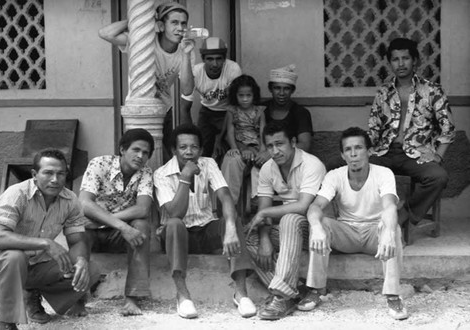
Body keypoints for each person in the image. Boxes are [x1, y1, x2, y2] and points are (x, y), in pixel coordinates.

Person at [0, 149, 100, 330]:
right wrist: (46, 243)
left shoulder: (70, 200)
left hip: (34, 266)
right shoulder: (17, 193)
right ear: (35, 174)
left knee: (91, 268)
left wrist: (81, 261)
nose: (55, 179)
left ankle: (30, 293)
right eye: (48, 173)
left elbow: (77, 241)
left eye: (61, 173)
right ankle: (6, 323)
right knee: (14, 257)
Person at [300, 127, 408, 320]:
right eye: (348, 149)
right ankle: (315, 290)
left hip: (375, 234)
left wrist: (390, 232)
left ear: (369, 151)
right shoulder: (334, 175)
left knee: (392, 227)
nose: (354, 153)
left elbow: (390, 206)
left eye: (358, 148)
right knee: (320, 222)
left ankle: (393, 295)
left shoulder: (383, 173)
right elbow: (315, 206)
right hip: (347, 233)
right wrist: (316, 228)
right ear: (343, 155)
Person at [153, 123, 257, 319]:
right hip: (178, 236)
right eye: (183, 147)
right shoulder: (161, 174)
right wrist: (185, 178)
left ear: (201, 149)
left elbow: (225, 196)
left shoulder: (208, 163)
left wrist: (231, 227)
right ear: (173, 150)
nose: (189, 152)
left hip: (206, 230)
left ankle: (241, 294)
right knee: (174, 223)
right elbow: (175, 212)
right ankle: (182, 295)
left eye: (194, 147)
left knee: (232, 217)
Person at [368, 38, 455, 226]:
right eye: (395, 59)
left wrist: (438, 156)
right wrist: (364, 151)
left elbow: (448, 128)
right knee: (343, 166)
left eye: (405, 58)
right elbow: (374, 127)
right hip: (385, 151)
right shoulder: (383, 92)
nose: (400, 64)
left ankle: (404, 215)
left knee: (438, 177)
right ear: (390, 63)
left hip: (416, 155)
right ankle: (364, 220)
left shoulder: (432, 90)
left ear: (414, 60)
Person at [246, 121, 326, 320]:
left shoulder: (312, 164)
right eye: (270, 146)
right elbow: (264, 209)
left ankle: (281, 297)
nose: (275, 151)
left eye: (280, 144)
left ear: (292, 142)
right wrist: (264, 238)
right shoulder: (267, 169)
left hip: (317, 230)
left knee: (290, 219)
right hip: (286, 230)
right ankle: (292, 292)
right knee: (246, 236)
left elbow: (303, 206)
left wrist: (264, 214)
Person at [98, 2, 195, 159]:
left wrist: (186, 55)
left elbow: (187, 90)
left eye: (183, 23)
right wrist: (141, 20)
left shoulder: (186, 50)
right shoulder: (143, 41)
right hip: (139, 110)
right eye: (174, 22)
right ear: (161, 26)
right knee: (137, 157)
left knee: (165, 159)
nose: (180, 28)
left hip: (164, 110)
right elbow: (105, 33)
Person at [78, 129, 154, 316]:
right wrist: (121, 225)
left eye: (145, 153)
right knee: (79, 229)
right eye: (136, 150)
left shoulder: (145, 172)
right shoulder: (99, 164)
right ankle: (78, 300)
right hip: (92, 230)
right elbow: (85, 203)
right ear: (122, 149)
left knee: (142, 226)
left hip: (110, 231)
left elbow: (142, 209)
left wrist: (107, 222)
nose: (140, 156)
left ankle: (132, 299)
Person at [180, 37, 242, 157]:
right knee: (202, 148)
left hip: (228, 111)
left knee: (230, 149)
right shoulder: (196, 72)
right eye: (210, 59)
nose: (214, 64)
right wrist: (187, 135)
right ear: (203, 59)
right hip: (207, 112)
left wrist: (219, 138)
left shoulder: (233, 69)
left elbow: (234, 104)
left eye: (219, 59)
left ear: (224, 59)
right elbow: (185, 106)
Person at [252, 64, 314, 169]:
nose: (281, 93)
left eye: (286, 89)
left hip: (291, 161)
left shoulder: (301, 112)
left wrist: (272, 153)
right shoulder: (261, 110)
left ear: (292, 90)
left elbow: (305, 145)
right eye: (277, 88)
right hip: (260, 157)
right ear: (270, 89)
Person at [221, 74, 266, 205]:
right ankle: (229, 205)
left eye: (248, 95)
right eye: (241, 96)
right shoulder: (232, 111)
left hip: (257, 145)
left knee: (261, 166)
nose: (245, 99)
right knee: (231, 161)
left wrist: (262, 150)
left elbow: (263, 131)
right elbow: (230, 132)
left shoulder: (260, 111)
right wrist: (235, 149)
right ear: (235, 96)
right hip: (239, 144)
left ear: (254, 95)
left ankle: (258, 202)